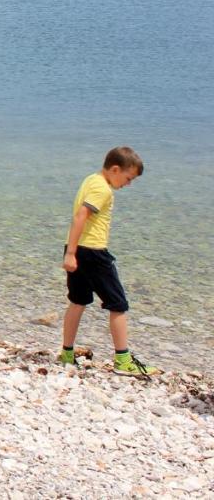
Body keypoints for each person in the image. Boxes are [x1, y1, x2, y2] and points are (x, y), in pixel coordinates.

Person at [58, 146, 158, 376]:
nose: (128, 184)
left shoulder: (91, 180)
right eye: (128, 178)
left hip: (79, 249)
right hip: (92, 252)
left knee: (78, 301)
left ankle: (67, 354)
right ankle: (123, 361)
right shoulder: (103, 190)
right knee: (119, 305)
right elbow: (81, 215)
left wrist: (71, 251)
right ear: (115, 169)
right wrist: (71, 253)